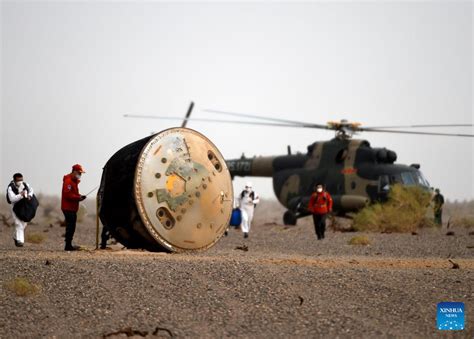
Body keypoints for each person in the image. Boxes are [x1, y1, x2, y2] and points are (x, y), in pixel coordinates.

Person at [61, 164, 86, 251]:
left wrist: (80, 196)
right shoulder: (68, 181)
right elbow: (68, 195)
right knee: (70, 226)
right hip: (68, 208)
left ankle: (69, 245)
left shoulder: (74, 181)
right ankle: (68, 246)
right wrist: (78, 198)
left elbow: (73, 194)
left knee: (72, 226)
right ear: (74, 171)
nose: (80, 175)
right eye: (79, 173)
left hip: (72, 208)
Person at [6, 173, 34, 247]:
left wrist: (29, 196)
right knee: (18, 223)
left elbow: (31, 190)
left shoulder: (25, 184)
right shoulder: (10, 187)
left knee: (24, 223)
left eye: (21, 179)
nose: (20, 181)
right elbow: (12, 199)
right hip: (15, 207)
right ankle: (20, 241)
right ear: (14, 180)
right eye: (18, 180)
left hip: (24, 206)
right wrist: (20, 195)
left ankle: (15, 236)